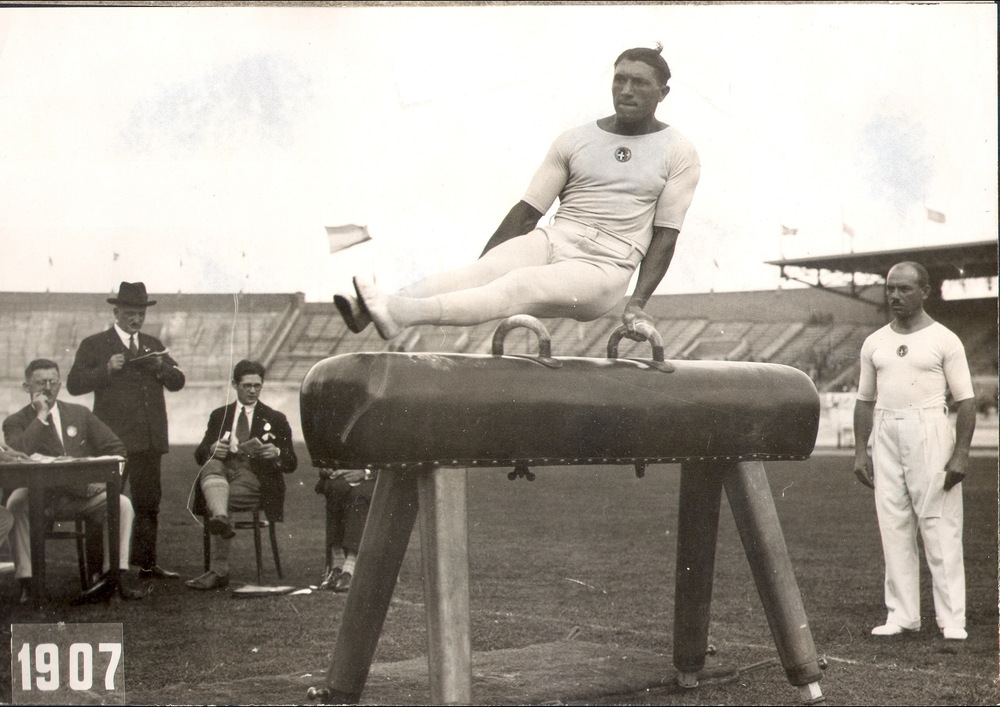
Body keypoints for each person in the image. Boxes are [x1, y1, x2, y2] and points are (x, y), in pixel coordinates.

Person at [337, 44, 700, 341]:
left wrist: (637, 302)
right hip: (557, 237)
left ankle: (400, 314)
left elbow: (665, 236)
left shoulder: (678, 151)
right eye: (620, 79)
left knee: (519, 283)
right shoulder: (575, 139)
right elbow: (527, 212)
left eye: (639, 83)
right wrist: (481, 275)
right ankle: (375, 307)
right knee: (482, 271)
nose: (626, 90)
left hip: (606, 264)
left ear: (663, 93)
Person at [852, 261, 976, 642]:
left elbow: (966, 402)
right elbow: (864, 400)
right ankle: (902, 615)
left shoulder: (944, 340)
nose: (895, 296)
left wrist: (961, 453)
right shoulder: (874, 342)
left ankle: (951, 618)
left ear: (924, 292)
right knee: (893, 525)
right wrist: (860, 451)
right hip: (886, 430)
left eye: (904, 289)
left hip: (929, 429)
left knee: (939, 524)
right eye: (890, 288)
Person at [3, 359, 149, 604]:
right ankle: (28, 581)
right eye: (40, 383)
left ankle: (113, 577)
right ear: (26, 387)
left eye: (53, 382)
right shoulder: (15, 421)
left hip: (80, 496)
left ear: (60, 384)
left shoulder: (79, 414)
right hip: (39, 496)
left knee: (122, 504)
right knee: (15, 503)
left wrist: (102, 482)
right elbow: (19, 453)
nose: (48, 388)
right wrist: (41, 415)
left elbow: (116, 448)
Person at [66, 281, 185, 580]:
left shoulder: (153, 344)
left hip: (149, 440)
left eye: (141, 313)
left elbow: (178, 381)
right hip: (111, 442)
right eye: (131, 313)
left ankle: (146, 565)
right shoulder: (95, 344)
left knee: (148, 504)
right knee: (102, 503)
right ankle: (98, 571)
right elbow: (73, 384)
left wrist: (161, 368)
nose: (137, 318)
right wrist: (105, 370)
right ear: (116, 312)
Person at [186, 360, 297, 590]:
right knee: (211, 464)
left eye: (257, 385)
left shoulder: (275, 418)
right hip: (222, 474)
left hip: (254, 479)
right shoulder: (220, 415)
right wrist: (212, 448)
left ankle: (219, 570)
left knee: (219, 498)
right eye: (247, 386)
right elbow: (200, 454)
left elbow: (291, 462)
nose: (253, 391)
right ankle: (220, 517)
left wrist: (276, 452)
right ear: (234, 384)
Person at [315, 467, 376, 592]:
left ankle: (350, 568)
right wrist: (327, 468)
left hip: (377, 480)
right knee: (335, 488)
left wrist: (365, 473)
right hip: (345, 478)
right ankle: (338, 564)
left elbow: (396, 461)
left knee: (357, 495)